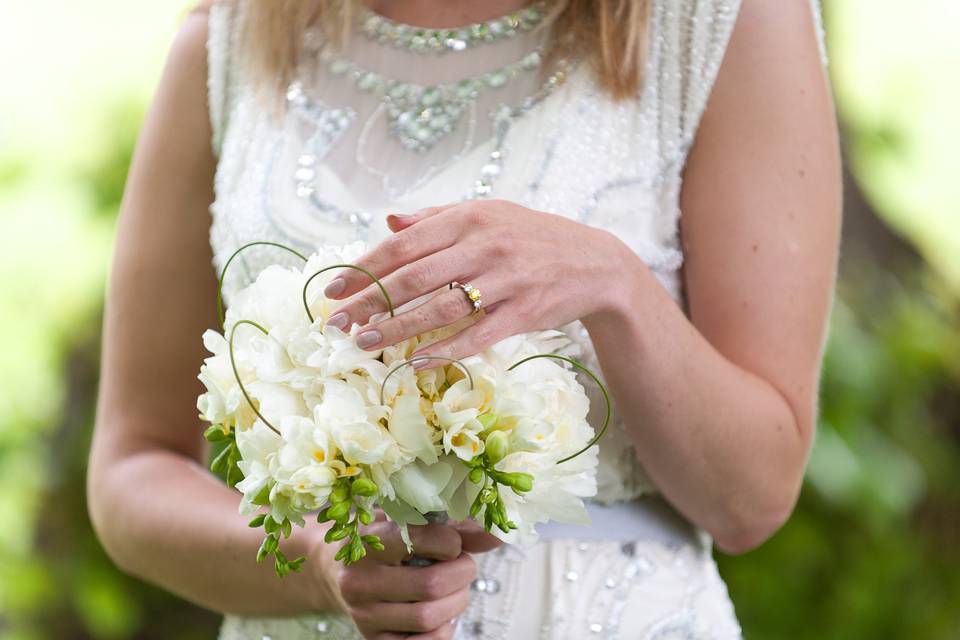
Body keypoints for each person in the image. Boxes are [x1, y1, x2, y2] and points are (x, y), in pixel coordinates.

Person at [87, 0, 840, 637]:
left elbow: (754, 500)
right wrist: (316, 563)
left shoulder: (721, 23)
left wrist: (616, 286)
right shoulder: (230, 40)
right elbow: (132, 470)